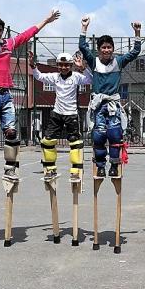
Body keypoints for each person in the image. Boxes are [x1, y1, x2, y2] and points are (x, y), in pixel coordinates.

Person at [0, 0, 60, 183]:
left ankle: (10, 169)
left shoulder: (7, 45)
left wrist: (46, 20)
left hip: (6, 95)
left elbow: (27, 34)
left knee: (11, 131)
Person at [79, 17, 142, 177]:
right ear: (99, 49)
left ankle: (114, 165)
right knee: (99, 135)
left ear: (113, 49)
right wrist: (84, 28)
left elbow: (135, 52)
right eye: (103, 48)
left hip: (113, 104)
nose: (106, 50)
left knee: (115, 135)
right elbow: (82, 47)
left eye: (109, 47)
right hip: (99, 105)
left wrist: (137, 33)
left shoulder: (119, 62)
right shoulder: (93, 62)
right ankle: (100, 166)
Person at [29, 31, 92, 181]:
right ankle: (50, 169)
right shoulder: (55, 77)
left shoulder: (76, 77)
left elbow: (90, 80)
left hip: (71, 114)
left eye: (66, 65)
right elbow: (39, 76)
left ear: (71, 65)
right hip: (57, 113)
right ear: (58, 66)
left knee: (75, 142)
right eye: (61, 65)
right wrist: (33, 65)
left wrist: (83, 68)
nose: (63, 67)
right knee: (47, 141)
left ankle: (76, 171)